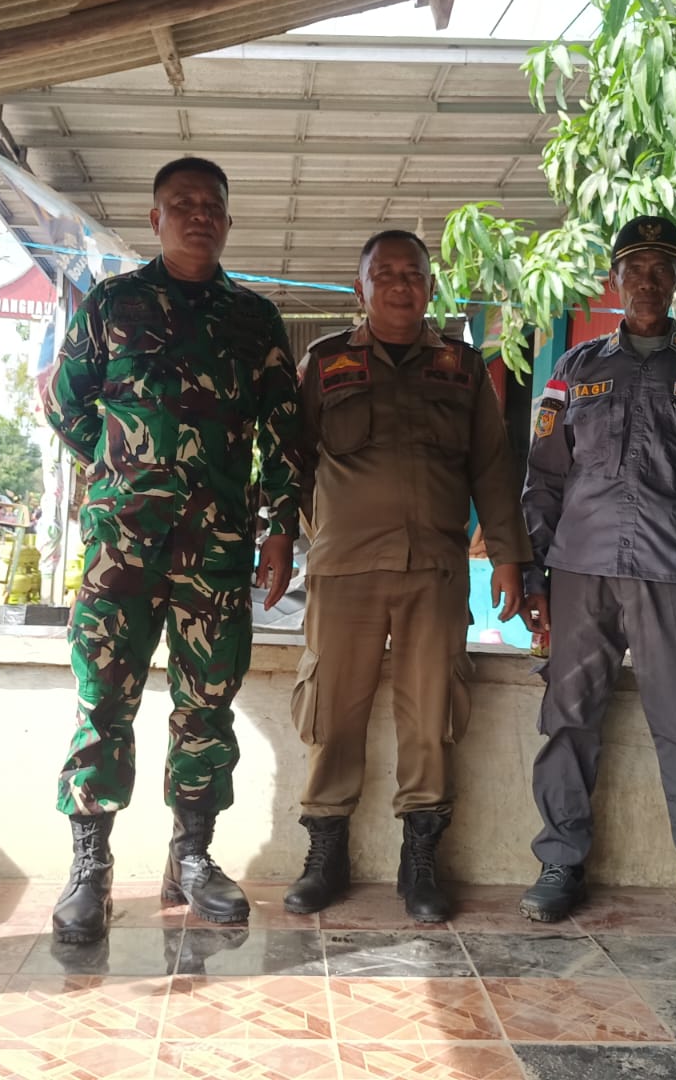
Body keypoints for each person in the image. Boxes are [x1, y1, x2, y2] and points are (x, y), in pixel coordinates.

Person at [43, 156, 302, 940]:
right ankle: (90, 865)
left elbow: (284, 432)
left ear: (227, 220)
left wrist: (281, 526)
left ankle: (191, 856)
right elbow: (65, 402)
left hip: (215, 548)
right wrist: (118, 471)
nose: (198, 216)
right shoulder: (112, 303)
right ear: (155, 219)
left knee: (207, 705)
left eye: (211, 205)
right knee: (103, 700)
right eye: (181, 204)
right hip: (121, 547)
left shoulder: (255, 321)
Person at [516, 215, 676, 937]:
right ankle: (560, 862)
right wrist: (534, 574)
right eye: (633, 268)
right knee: (567, 721)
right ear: (613, 280)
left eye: (661, 267)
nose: (647, 281)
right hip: (579, 569)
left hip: (673, 572)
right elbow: (543, 478)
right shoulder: (575, 369)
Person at [282, 230, 532, 922]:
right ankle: (324, 854)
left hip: (435, 572)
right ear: (359, 288)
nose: (400, 284)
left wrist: (507, 555)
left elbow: (492, 467)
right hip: (345, 571)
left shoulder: (462, 367)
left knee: (431, 715)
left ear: (429, 286)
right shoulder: (324, 363)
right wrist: (295, 535)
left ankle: (420, 861)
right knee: (331, 711)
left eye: (413, 273)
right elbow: (292, 462)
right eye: (384, 273)